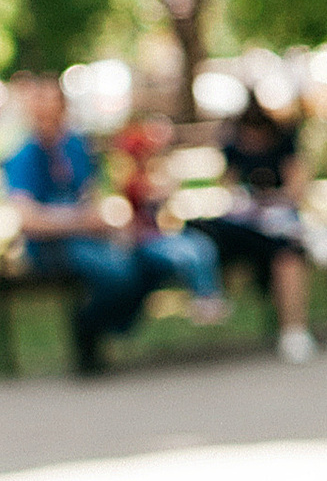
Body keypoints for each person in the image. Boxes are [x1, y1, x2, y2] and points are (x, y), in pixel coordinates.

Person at [5, 73, 226, 372]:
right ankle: (88, 329)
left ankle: (105, 327)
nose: (44, 112)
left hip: (91, 237)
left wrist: (107, 220)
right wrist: (82, 222)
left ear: (63, 107)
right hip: (50, 246)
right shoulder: (23, 156)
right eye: (38, 104)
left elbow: (96, 196)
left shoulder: (76, 147)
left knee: (147, 260)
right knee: (117, 272)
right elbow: (29, 221)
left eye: (51, 103)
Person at [196, 94, 323, 359]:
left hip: (279, 225)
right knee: (207, 235)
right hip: (244, 225)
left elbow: (297, 188)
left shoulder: (284, 147)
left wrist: (273, 199)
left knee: (287, 252)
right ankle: (211, 298)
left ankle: (294, 331)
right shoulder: (234, 149)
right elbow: (227, 188)